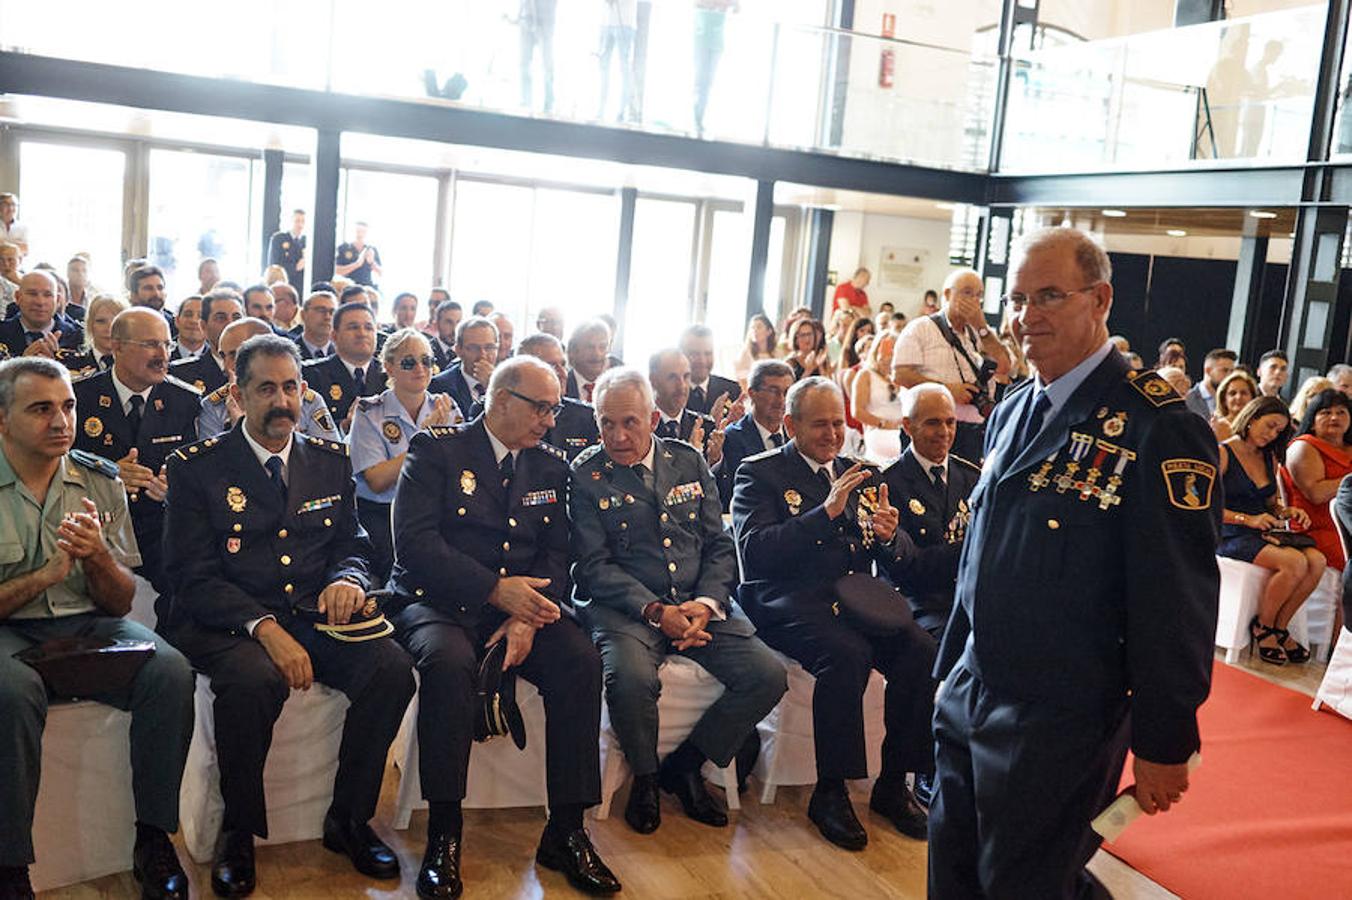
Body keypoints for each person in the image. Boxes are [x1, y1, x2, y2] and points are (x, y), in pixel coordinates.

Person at [928, 227, 1222, 899]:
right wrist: (948, 674)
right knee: (951, 880)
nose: (1027, 316)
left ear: (1101, 300)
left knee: (1023, 888)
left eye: (1050, 296)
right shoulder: (1015, 406)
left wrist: (1164, 738)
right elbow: (982, 556)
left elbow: (1176, 600)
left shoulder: (1158, 425)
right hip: (973, 693)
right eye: (1019, 297)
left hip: (1061, 720)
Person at [163, 334, 414, 896]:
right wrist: (264, 628)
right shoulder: (196, 468)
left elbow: (353, 543)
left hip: (310, 612)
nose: (283, 401)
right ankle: (238, 831)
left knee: (391, 669)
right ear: (238, 394)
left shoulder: (328, 459)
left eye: (291, 387)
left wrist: (347, 580)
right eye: (266, 389)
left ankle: (349, 820)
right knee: (253, 679)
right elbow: (190, 575)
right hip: (225, 620)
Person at [387, 356, 620, 898]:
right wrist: (495, 590)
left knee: (582, 662)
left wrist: (528, 613)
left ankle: (567, 829)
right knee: (448, 665)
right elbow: (415, 546)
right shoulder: (437, 450)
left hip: (520, 609)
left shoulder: (552, 466)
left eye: (554, 408)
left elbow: (560, 555)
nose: (549, 420)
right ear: (500, 399)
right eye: (539, 407)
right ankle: (445, 831)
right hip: (438, 602)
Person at [0, 357, 194, 900]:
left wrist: (97, 561)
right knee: (11, 693)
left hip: (87, 624)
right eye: (40, 409)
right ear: (1, 420)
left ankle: (155, 838)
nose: (60, 421)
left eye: (67, 406)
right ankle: (10, 864)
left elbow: (120, 601)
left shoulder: (98, 479)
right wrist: (45, 575)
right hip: (10, 629)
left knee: (171, 672)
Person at [571, 365, 786, 834]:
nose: (618, 435)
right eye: (606, 423)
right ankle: (646, 779)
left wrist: (706, 603)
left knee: (768, 675)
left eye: (629, 422)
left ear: (651, 418)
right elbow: (593, 566)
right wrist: (655, 611)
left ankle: (688, 765)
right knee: (628, 679)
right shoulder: (586, 475)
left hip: (696, 602)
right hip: (626, 609)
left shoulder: (687, 461)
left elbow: (719, 544)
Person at [731, 376, 932, 850]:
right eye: (820, 424)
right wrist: (823, 513)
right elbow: (757, 554)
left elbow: (897, 554)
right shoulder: (758, 473)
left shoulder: (861, 473)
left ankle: (893, 783)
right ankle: (831, 790)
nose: (831, 435)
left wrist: (888, 537)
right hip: (785, 599)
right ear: (790, 424)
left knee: (921, 650)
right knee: (847, 654)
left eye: (838, 423)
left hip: (855, 599)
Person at [72, 307, 201, 617]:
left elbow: (196, 472)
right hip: (96, 527)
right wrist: (106, 475)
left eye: (167, 345)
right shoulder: (80, 398)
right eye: (150, 345)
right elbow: (57, 466)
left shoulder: (183, 400)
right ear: (116, 346)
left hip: (158, 527)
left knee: (186, 586)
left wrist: (174, 485)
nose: (163, 355)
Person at [1219, 395, 1324, 665]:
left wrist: (1285, 511)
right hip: (1228, 530)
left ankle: (1279, 626)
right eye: (1270, 426)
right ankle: (1264, 627)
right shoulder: (1223, 452)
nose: (1272, 434)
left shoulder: (1268, 457)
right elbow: (1206, 506)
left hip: (1260, 529)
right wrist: (1247, 519)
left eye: (1278, 431)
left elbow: (1271, 503)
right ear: (1252, 419)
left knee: (1317, 561)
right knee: (1295, 563)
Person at [348, 329, 460, 584]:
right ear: (389, 367)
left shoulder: (446, 407)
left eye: (427, 361)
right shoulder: (369, 411)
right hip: (383, 515)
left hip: (436, 512)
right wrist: (423, 438)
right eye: (409, 362)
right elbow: (377, 480)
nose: (420, 369)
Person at [879, 383, 979, 640]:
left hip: (968, 594)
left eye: (950, 422)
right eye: (933, 423)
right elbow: (907, 566)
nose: (944, 432)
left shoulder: (970, 477)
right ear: (907, 426)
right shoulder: (888, 483)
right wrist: (965, 550)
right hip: (918, 600)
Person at [891, 268, 1011, 463]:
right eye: (967, 292)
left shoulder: (977, 334)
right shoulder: (921, 328)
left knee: (964, 487)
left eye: (979, 295)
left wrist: (982, 328)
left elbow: (1004, 367)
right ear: (947, 294)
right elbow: (900, 374)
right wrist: (946, 389)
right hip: (928, 427)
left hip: (972, 430)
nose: (974, 300)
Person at [196, 317, 340, 444]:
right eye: (224, 356)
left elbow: (329, 462)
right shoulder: (213, 405)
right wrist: (241, 429)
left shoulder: (309, 401)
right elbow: (211, 465)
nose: (227, 366)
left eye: (237, 356)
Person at [1285, 389, 1352, 590]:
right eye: (1325, 412)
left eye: (1341, 412)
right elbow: (1316, 493)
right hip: (1318, 527)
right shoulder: (1304, 446)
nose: (1334, 417)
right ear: (1312, 420)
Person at [712, 358, 792, 509]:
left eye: (787, 392)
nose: (781, 400)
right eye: (773, 391)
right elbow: (727, 493)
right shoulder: (732, 437)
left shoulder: (796, 434)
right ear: (752, 393)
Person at [302, 302, 388, 432]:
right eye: (353, 327)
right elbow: (304, 428)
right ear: (334, 336)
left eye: (369, 327)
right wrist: (344, 426)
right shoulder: (312, 375)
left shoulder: (389, 374)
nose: (362, 333)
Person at [518, 331, 600, 460]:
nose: (562, 373)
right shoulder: (513, 415)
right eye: (552, 366)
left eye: (563, 364)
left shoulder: (586, 416)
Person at [648, 348, 730, 469]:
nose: (682, 386)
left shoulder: (705, 426)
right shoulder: (643, 427)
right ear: (653, 380)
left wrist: (714, 460)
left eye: (686, 377)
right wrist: (689, 457)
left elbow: (718, 485)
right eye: (672, 377)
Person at [0, 271, 86, 368]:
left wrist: (57, 367)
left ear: (57, 300)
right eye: (32, 294)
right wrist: (19, 366)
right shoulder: (2, 333)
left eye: (47, 295)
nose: (40, 302)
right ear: (18, 297)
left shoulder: (78, 338)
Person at [169, 288, 241, 394]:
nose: (230, 324)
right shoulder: (179, 374)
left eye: (236, 317)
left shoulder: (260, 369)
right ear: (203, 326)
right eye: (221, 318)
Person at [429, 315, 499, 417]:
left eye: (489, 347)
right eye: (474, 348)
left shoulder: (509, 385)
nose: (482, 355)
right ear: (458, 350)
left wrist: (492, 387)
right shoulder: (440, 386)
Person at [851, 331, 904, 465]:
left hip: (901, 433)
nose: (890, 357)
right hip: (879, 433)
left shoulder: (899, 378)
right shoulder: (865, 375)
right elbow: (857, 411)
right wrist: (883, 423)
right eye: (887, 352)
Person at [679, 324, 739, 417]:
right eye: (695, 354)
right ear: (681, 355)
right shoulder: (671, 392)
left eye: (708, 353)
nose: (702, 361)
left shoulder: (731, 389)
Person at [66, 293, 127, 375]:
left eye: (116, 322)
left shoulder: (137, 364)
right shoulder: (71, 364)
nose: (109, 328)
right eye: (101, 321)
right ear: (90, 325)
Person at [566, 319, 612, 402]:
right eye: (590, 347)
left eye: (602, 347)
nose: (597, 354)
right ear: (573, 350)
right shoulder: (562, 386)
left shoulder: (615, 386)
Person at [1185, 348, 1237, 419]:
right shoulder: (1188, 399)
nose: (1229, 375)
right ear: (1208, 370)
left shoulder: (1232, 401)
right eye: (1225, 370)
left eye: (1232, 371)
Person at [129, 266, 177, 338]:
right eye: (148, 288)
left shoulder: (176, 325)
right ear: (134, 295)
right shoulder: (126, 324)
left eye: (160, 288)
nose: (156, 293)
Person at [267, 209, 306, 294]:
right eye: (297, 221)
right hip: (283, 286)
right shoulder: (279, 239)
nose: (300, 225)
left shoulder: (306, 242)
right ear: (291, 221)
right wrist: (295, 267)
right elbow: (274, 265)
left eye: (303, 221)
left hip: (302, 288)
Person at [1213, 369, 1260, 440]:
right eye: (1232, 393)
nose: (1238, 397)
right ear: (1224, 400)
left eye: (1244, 393)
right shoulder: (1216, 427)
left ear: (1253, 398)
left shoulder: (1259, 428)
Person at [732, 313, 776, 387]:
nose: (754, 330)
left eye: (759, 327)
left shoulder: (777, 352)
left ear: (769, 331)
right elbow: (741, 379)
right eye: (752, 327)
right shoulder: (745, 353)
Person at [334, 222, 382, 287]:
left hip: (367, 286)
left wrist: (371, 262)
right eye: (358, 231)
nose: (360, 234)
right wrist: (357, 264)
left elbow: (380, 273)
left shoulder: (371, 249)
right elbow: (337, 271)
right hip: (347, 286)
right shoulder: (343, 248)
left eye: (363, 232)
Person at [294, 290, 337, 360]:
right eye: (321, 310)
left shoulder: (343, 355)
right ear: (303, 315)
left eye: (332, 312)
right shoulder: (289, 354)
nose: (328, 317)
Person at [784, 317, 830, 381]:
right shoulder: (791, 362)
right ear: (796, 339)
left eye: (810, 334)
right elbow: (792, 389)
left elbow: (827, 384)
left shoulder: (820, 357)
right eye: (803, 335)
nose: (807, 339)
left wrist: (820, 366)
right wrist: (808, 370)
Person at [170, 295, 207, 361]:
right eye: (188, 315)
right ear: (177, 321)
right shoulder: (162, 353)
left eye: (201, 316)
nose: (194, 321)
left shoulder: (217, 357)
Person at [430, 299, 462, 371]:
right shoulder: (428, 351)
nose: (454, 329)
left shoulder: (464, 352)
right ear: (437, 323)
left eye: (458, 322)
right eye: (449, 322)